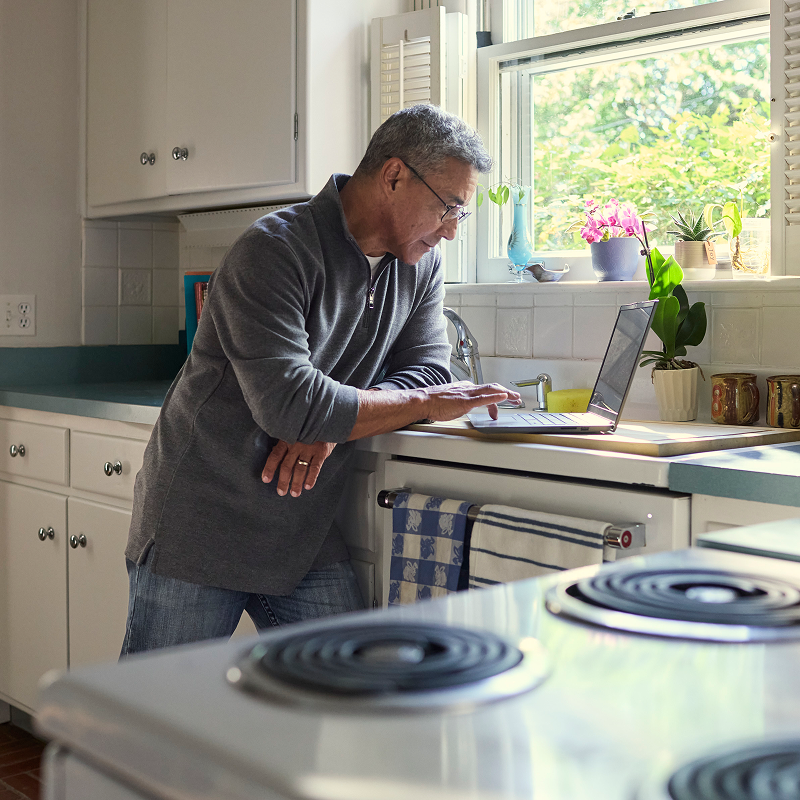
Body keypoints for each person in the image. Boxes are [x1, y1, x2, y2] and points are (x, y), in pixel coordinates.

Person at [120, 104, 519, 656]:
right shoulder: (274, 250)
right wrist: (418, 402)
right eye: (448, 206)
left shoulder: (419, 263)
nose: (451, 230)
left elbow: (428, 366)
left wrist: (332, 422)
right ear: (395, 175)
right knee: (154, 718)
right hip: (202, 519)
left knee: (355, 689)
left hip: (303, 530)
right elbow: (291, 405)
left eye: (461, 214)